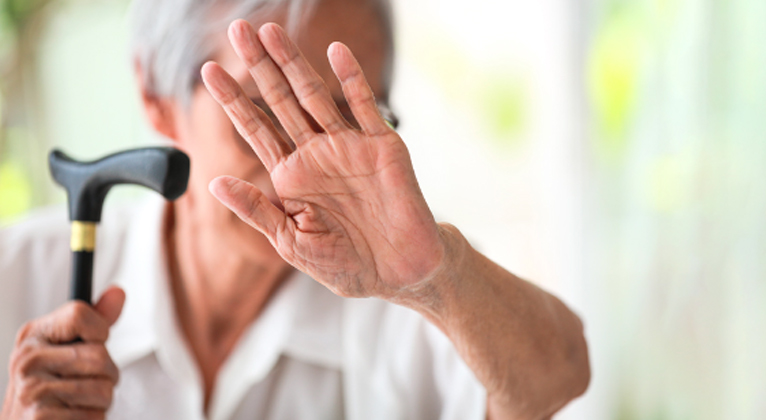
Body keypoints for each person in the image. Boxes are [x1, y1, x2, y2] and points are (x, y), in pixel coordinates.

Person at [0, 0, 590, 418]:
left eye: (345, 121)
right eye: (263, 112)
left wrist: (435, 278)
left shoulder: (412, 290)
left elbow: (560, 375)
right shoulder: (17, 275)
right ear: (156, 97)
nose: (305, 173)